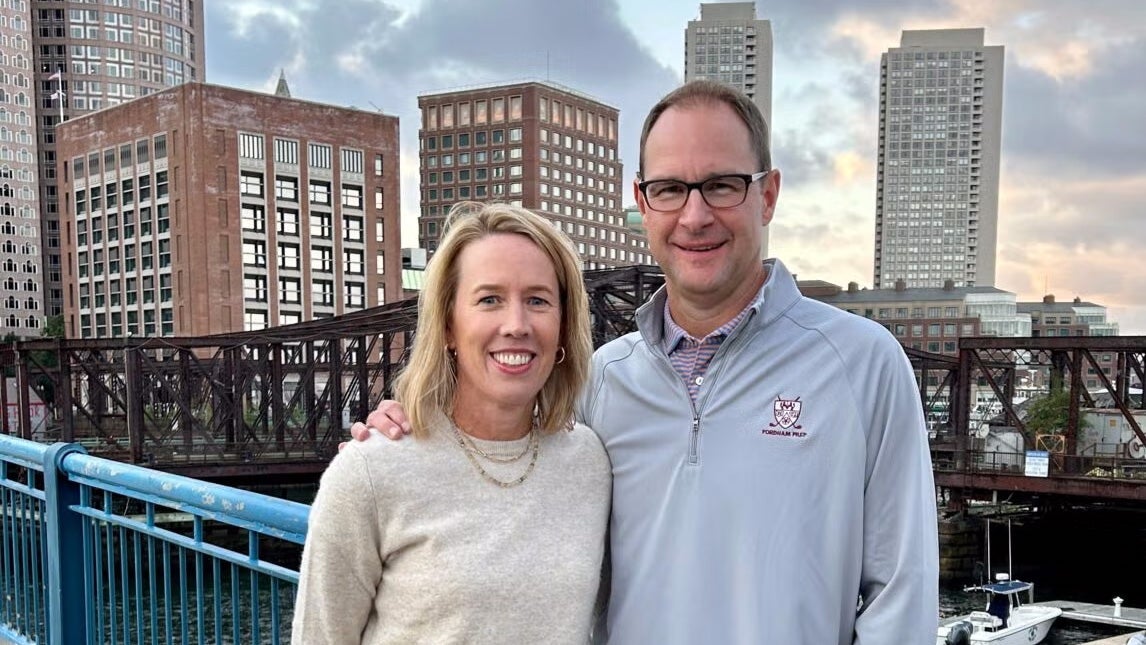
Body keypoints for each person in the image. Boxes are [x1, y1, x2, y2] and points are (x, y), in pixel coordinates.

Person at [354, 80, 939, 643]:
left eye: (722, 185)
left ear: (767, 194)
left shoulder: (863, 364)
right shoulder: (602, 378)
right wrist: (406, 436)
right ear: (641, 202)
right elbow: (501, 479)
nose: (694, 216)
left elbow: (900, 597)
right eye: (669, 189)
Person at [293, 202, 610, 643]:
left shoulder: (589, 461)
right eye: (489, 300)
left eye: (537, 300)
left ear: (563, 325)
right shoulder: (369, 473)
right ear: (447, 326)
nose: (516, 324)